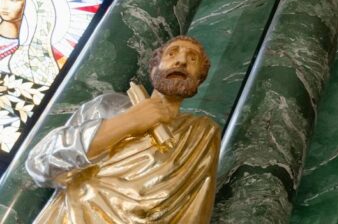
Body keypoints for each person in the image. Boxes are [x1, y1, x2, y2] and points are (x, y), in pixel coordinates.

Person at [26, 35, 220, 223]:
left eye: (192, 59)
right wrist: (129, 121)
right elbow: (40, 164)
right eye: (172, 54)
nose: (181, 61)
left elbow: (195, 210)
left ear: (199, 79)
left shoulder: (201, 133)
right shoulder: (108, 106)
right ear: (153, 68)